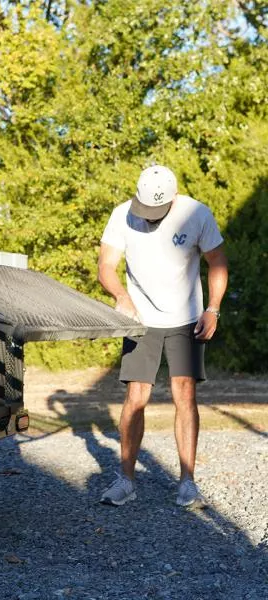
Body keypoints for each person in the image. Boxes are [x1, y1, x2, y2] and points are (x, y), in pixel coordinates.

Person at [96, 164, 229, 508]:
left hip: (186, 319)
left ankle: (187, 483)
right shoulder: (122, 215)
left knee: (184, 396)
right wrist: (121, 297)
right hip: (141, 320)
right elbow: (106, 266)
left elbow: (217, 261)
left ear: (172, 199)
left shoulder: (197, 213)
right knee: (136, 398)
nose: (150, 216)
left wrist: (212, 308)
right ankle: (125, 479)